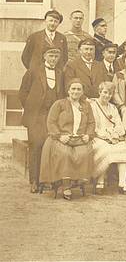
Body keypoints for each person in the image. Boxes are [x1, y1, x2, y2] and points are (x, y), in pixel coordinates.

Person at [39, 79, 95, 200]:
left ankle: (77, 180)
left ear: (82, 92)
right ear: (68, 90)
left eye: (79, 89)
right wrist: (59, 136)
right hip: (60, 138)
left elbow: (91, 123)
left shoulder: (86, 105)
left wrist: (88, 135)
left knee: (84, 153)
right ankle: (66, 186)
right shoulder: (59, 104)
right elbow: (51, 122)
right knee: (65, 154)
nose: (76, 91)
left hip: (79, 139)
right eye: (73, 89)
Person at [19, 47, 65, 193]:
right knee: (36, 147)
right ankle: (34, 181)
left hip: (53, 117)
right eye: (50, 55)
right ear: (44, 56)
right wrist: (32, 109)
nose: (53, 59)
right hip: (36, 117)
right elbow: (23, 93)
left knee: (52, 147)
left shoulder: (60, 73)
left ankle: (50, 180)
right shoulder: (33, 71)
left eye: (56, 56)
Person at [90, 81, 126, 196]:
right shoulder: (92, 105)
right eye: (104, 92)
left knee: (123, 147)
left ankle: (122, 184)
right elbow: (92, 125)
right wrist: (106, 137)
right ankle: (100, 182)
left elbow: (119, 125)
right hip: (98, 136)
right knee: (105, 149)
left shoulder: (113, 107)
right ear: (100, 92)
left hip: (112, 136)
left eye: (110, 94)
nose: (107, 96)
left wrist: (115, 135)